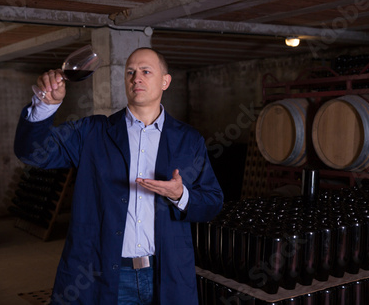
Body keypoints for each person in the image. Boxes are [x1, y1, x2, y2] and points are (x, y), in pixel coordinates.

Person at [14, 47, 224, 304]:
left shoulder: (189, 140)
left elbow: (213, 202)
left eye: (146, 71)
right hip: (104, 272)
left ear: (165, 81)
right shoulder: (92, 133)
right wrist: (45, 105)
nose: (137, 78)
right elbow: (32, 153)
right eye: (130, 72)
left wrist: (181, 195)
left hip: (166, 273)